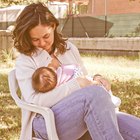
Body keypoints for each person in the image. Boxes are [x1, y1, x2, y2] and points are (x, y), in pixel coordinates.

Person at [12, 2, 140, 140]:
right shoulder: (25, 61)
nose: (42, 43)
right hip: (46, 122)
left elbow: (84, 78)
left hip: (84, 113)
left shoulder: (69, 48)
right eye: (35, 39)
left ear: (53, 26)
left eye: (46, 36)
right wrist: (77, 85)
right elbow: (35, 100)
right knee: (94, 95)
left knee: (136, 129)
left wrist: (96, 78)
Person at [32, 64, 121, 108]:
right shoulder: (61, 74)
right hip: (84, 92)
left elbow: (84, 76)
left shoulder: (62, 74)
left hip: (86, 82)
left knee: (98, 88)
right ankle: (109, 99)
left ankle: (110, 98)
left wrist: (97, 77)